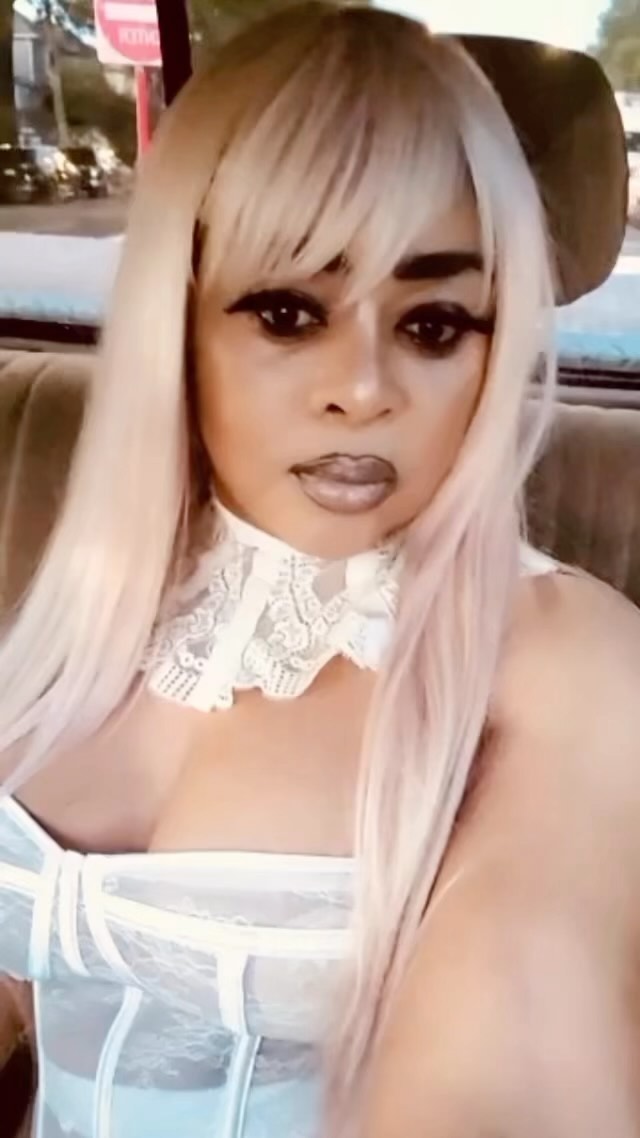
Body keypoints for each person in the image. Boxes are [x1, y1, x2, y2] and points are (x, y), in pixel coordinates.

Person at [0, 3, 635, 1136]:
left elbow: (513, 1062)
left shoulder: (567, 663)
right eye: (289, 311)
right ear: (179, 318)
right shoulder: (90, 590)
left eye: (434, 324)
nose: (363, 388)